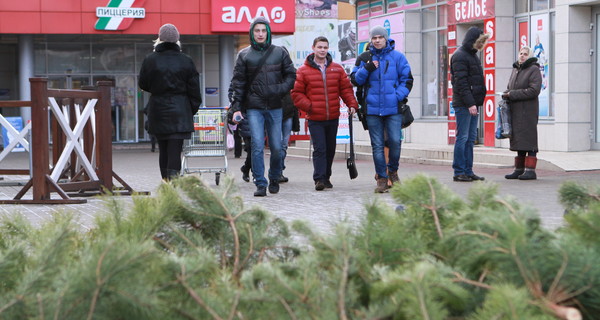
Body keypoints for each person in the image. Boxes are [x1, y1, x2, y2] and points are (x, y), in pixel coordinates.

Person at [230, 17, 296, 197]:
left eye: (263, 30)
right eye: (257, 30)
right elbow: (238, 83)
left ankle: (274, 176)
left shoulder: (279, 52)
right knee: (257, 145)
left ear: (268, 32)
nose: (260, 34)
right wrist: (236, 107)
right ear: (252, 33)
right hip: (254, 108)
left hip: (275, 106)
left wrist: (280, 89)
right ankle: (260, 182)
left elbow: (291, 75)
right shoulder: (244, 55)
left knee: (276, 146)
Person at [350, 26, 412, 193]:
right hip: (372, 110)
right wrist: (367, 68)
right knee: (377, 145)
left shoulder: (398, 57)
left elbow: (407, 80)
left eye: (380, 37)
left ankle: (393, 171)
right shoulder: (364, 58)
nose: (377, 40)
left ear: (386, 38)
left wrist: (397, 96)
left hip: (393, 109)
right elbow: (355, 80)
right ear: (371, 40)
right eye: (374, 37)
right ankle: (382, 178)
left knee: (394, 142)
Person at [292, 36, 358, 191]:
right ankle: (319, 179)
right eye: (319, 47)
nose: (322, 50)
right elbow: (296, 93)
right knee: (320, 148)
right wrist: (310, 106)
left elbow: (345, 89)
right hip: (315, 117)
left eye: (325, 47)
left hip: (333, 116)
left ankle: (326, 177)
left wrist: (352, 104)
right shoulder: (303, 70)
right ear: (313, 48)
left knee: (330, 149)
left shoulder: (337, 69)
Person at [139, 23, 201, 180]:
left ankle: (166, 183)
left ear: (159, 39)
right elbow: (194, 91)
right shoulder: (186, 61)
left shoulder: (150, 60)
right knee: (175, 149)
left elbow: (143, 84)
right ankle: (173, 184)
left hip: (158, 109)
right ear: (177, 40)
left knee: (163, 149)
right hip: (180, 110)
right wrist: (189, 109)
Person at [450, 26, 489, 182]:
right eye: (480, 42)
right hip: (464, 104)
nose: (481, 46)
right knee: (463, 137)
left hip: (472, 103)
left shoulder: (472, 55)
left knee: (470, 137)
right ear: (473, 41)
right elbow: (461, 83)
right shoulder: (460, 56)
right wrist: (471, 103)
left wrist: (474, 102)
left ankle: (468, 170)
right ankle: (459, 171)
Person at [502, 46, 542, 180]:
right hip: (515, 111)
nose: (522, 56)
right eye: (521, 53)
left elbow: (534, 90)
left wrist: (512, 94)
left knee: (529, 139)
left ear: (529, 56)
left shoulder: (534, 69)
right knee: (519, 139)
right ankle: (519, 169)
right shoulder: (515, 69)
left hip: (528, 112)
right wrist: (506, 94)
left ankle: (530, 170)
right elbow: (510, 87)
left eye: (525, 54)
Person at [279, 92, 299, 183]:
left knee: (284, 145)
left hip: (288, 115)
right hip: (276, 115)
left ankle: (279, 170)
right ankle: (278, 170)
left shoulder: (290, 80)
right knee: (278, 145)